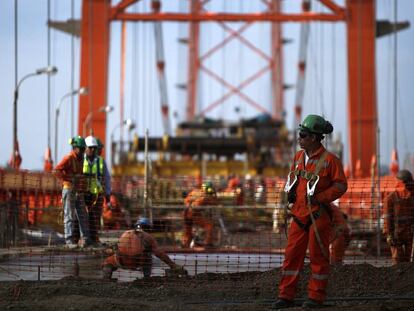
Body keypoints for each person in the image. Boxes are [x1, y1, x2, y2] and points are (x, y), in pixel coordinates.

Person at [274, 114, 348, 309]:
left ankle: (316, 298)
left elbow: (341, 185)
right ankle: (285, 296)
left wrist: (320, 198)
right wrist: (289, 194)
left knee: (318, 258)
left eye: (303, 134)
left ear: (314, 138)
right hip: (298, 216)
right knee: (291, 257)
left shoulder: (330, 161)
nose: (299, 138)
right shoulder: (298, 158)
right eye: (300, 134)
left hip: (318, 217)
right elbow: (292, 178)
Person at [102, 217, 187, 279]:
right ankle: (146, 278)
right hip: (137, 262)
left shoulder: (126, 233)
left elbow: (118, 247)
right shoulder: (148, 237)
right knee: (149, 258)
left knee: (109, 261)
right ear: (148, 227)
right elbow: (159, 253)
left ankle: (106, 278)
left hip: (121, 261)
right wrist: (172, 265)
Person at [54, 136, 92, 248]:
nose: (81, 151)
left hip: (78, 190)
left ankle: (85, 238)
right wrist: (68, 178)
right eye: (80, 148)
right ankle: (69, 240)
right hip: (69, 189)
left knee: (82, 215)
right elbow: (57, 170)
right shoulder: (69, 158)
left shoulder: (81, 159)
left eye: (82, 148)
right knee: (69, 215)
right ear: (74, 148)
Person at [383, 169, 414, 265]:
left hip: (408, 233)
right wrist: (389, 235)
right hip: (399, 234)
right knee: (398, 260)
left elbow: (387, 218)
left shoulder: (391, 198)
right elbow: (388, 218)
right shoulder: (391, 198)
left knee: (407, 261)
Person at [182, 181, 218, 248]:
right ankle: (208, 243)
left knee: (188, 231)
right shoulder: (205, 196)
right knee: (209, 226)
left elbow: (186, 200)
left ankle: (185, 245)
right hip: (194, 214)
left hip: (186, 213)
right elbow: (215, 202)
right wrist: (214, 194)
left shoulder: (194, 191)